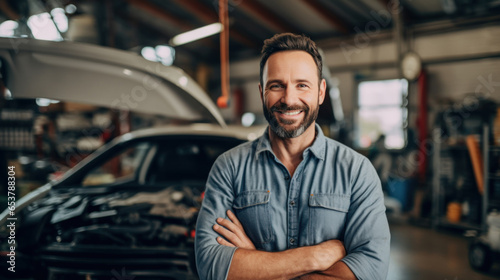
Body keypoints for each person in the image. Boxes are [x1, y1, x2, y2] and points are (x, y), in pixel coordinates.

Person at [195, 33, 390, 280]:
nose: (288, 99)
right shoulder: (229, 168)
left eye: (302, 85)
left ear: (320, 92)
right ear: (261, 92)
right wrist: (314, 257)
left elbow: (371, 269)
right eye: (276, 85)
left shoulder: (357, 171)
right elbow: (211, 267)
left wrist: (253, 261)